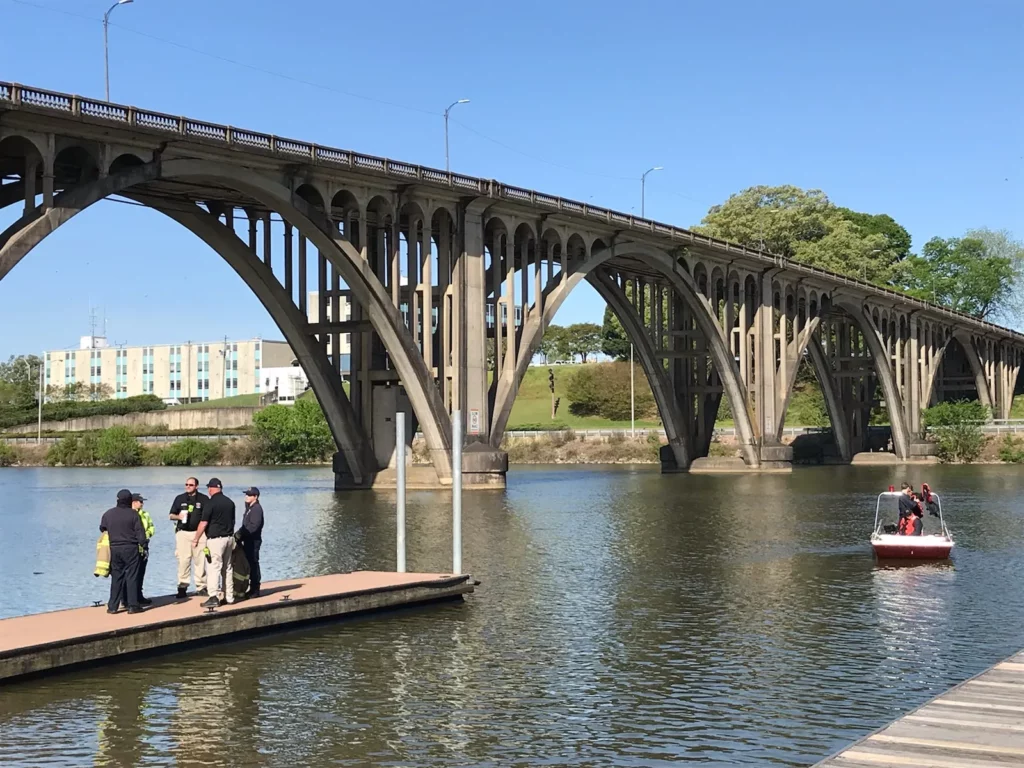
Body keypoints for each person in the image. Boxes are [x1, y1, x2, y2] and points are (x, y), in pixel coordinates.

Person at [100, 489, 146, 614]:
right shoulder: (133, 514)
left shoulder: (108, 514)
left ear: (117, 500)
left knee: (116, 577)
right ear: (130, 500)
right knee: (132, 576)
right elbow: (140, 533)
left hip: (114, 548)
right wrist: (144, 546)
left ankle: (112, 607)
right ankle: (132, 606)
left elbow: (102, 528)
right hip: (131, 548)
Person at [194, 478, 235, 608]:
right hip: (229, 538)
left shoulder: (210, 503)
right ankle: (229, 596)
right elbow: (233, 521)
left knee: (213, 568)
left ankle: (213, 596)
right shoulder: (230, 502)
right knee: (227, 568)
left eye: (209, 488)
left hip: (215, 540)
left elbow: (204, 522)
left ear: (211, 489)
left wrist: (196, 538)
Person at [169, 477, 209, 599]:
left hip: (200, 533)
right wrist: (179, 517)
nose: (188, 486)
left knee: (200, 560)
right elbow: (171, 515)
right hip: (183, 533)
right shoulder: (179, 498)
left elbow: (207, 517)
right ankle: (182, 586)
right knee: (183, 561)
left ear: (196, 486)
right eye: (186, 484)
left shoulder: (203, 499)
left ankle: (201, 586)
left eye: (191, 485)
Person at [238, 487, 264, 598]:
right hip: (247, 540)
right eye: (246, 495)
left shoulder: (256, 509)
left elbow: (254, 526)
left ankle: (255, 589)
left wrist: (242, 534)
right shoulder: (249, 508)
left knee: (253, 563)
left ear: (255, 497)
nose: (246, 497)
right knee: (249, 563)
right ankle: (251, 587)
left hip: (253, 541)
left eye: (249, 495)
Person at [131, 493, 155, 605]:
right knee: (131, 574)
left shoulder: (145, 514)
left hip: (144, 546)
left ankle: (139, 595)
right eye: (140, 501)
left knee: (141, 572)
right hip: (132, 547)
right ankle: (129, 598)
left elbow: (151, 527)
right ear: (134, 502)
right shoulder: (129, 514)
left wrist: (146, 535)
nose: (142, 503)